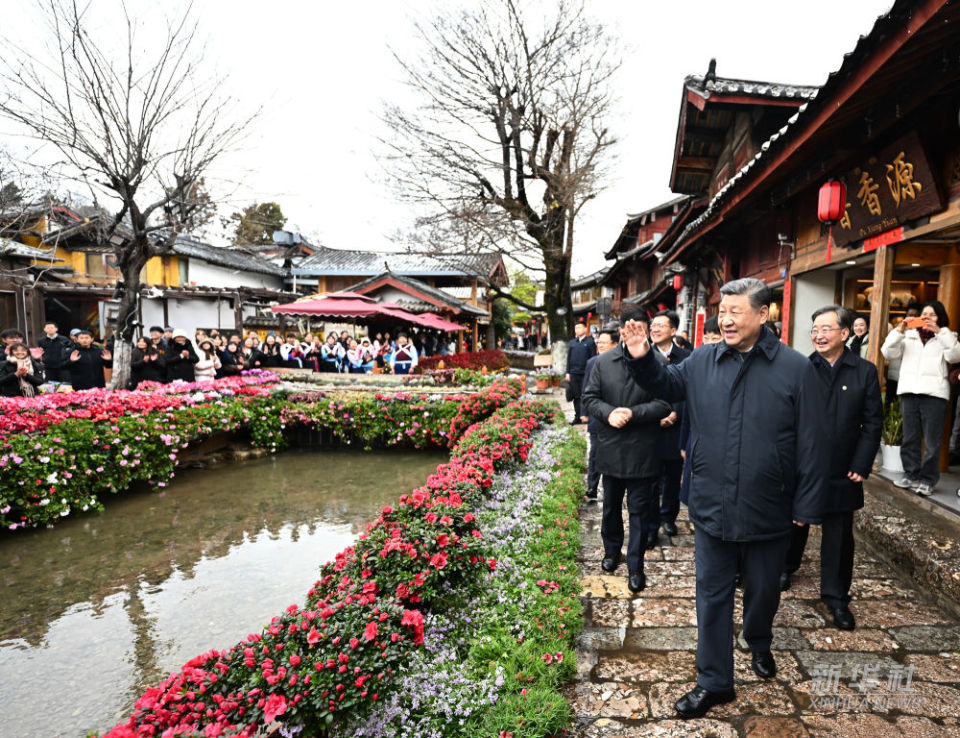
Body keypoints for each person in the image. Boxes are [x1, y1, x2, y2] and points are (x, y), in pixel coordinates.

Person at [620, 278, 825, 720]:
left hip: (770, 504)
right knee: (711, 594)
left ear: (763, 314)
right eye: (722, 311)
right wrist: (641, 356)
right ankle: (714, 681)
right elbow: (666, 382)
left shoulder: (795, 368)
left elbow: (812, 441)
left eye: (736, 311)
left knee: (763, 591)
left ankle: (759, 639)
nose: (726, 320)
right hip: (712, 501)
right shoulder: (702, 359)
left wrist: (806, 507)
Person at [781, 306, 882, 631]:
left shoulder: (864, 371)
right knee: (795, 522)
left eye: (826, 329)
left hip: (843, 467)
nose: (818, 335)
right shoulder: (801, 369)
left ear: (845, 333)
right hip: (803, 464)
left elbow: (873, 422)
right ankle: (785, 567)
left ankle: (836, 597)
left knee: (839, 535)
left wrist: (862, 462)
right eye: (814, 329)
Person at [582, 326, 673, 594]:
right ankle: (611, 551)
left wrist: (634, 413)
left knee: (639, 511)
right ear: (622, 332)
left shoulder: (657, 362)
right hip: (610, 446)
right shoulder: (604, 361)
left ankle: (636, 566)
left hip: (642, 450)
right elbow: (590, 397)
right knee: (610, 507)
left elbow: (665, 403)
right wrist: (609, 413)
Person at [881, 300, 960, 496]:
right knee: (910, 437)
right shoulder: (908, 336)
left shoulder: (947, 336)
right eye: (924, 314)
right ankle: (910, 474)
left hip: (934, 394)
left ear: (940, 318)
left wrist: (940, 332)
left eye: (932, 314)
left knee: (932, 442)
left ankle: (928, 480)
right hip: (909, 391)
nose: (927, 318)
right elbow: (887, 352)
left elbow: (955, 356)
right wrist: (899, 330)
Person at [648, 309, 690, 544]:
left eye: (660, 325)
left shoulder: (686, 356)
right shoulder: (644, 355)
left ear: (673, 330)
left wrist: (675, 412)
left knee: (673, 477)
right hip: (651, 427)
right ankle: (651, 525)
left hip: (675, 428)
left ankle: (668, 517)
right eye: (653, 325)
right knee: (651, 480)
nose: (654, 329)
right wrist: (655, 414)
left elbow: (689, 390)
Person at [581, 328, 618, 500]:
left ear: (615, 344)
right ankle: (592, 487)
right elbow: (586, 389)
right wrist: (584, 412)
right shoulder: (592, 362)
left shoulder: (622, 362)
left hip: (616, 415)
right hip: (596, 417)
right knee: (595, 452)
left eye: (604, 343)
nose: (600, 345)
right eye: (599, 342)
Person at [886, 303, 921, 414]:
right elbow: (886, 350)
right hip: (894, 376)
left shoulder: (922, 335)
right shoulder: (897, 331)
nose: (912, 318)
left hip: (911, 379)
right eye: (910, 315)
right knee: (890, 407)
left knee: (906, 410)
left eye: (915, 315)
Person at [566, 322, 597, 425]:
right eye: (576, 328)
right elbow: (569, 358)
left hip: (585, 373)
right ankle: (577, 417)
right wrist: (568, 372)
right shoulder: (572, 343)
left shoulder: (590, 342)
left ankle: (586, 416)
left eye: (579, 328)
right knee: (576, 396)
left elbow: (593, 358)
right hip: (574, 373)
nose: (577, 330)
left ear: (585, 329)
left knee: (585, 395)